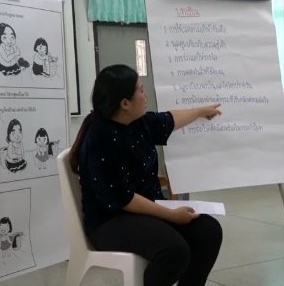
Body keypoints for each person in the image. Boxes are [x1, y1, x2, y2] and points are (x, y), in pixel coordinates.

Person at [68, 64, 224, 286]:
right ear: (124, 104)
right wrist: (171, 215)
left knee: (208, 231)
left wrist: (200, 111)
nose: (145, 95)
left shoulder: (137, 122)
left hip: (143, 209)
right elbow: (124, 199)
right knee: (174, 251)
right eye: (140, 90)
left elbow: (170, 119)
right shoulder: (101, 139)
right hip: (110, 221)